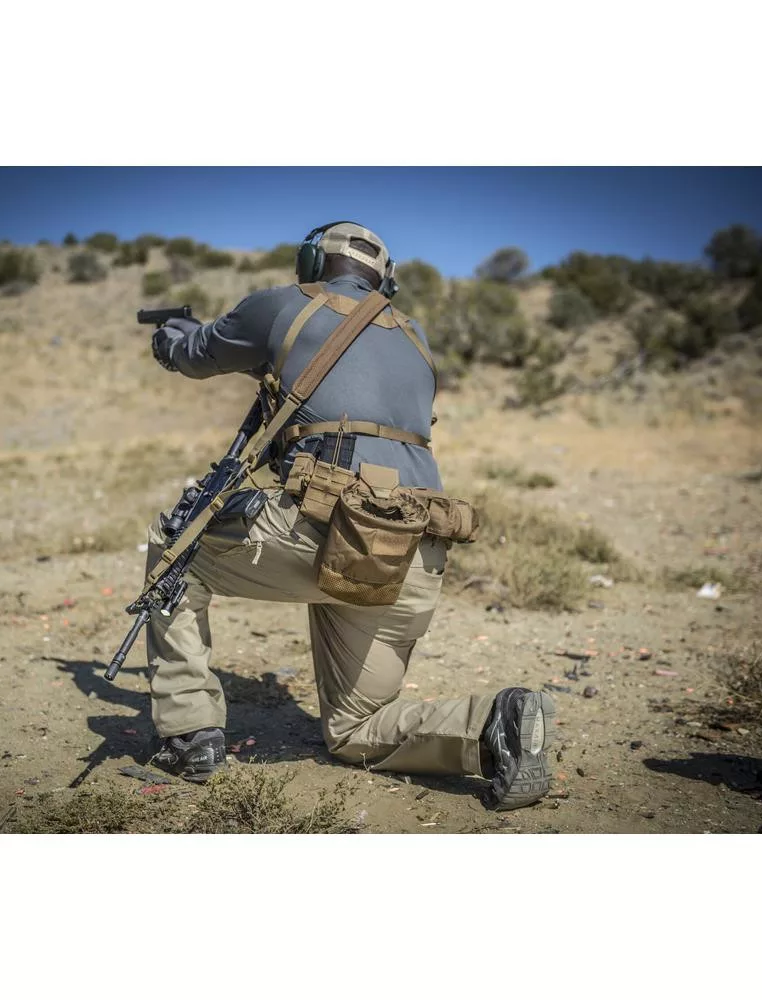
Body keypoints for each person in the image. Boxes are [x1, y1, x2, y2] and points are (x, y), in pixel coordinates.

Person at [143, 221, 554, 809]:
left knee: (173, 546)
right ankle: (496, 723)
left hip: (324, 528)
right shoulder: (414, 336)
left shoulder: (280, 305)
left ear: (312, 262)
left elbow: (196, 354)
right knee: (355, 729)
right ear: (386, 280)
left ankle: (190, 735)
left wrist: (172, 338)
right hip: (409, 549)